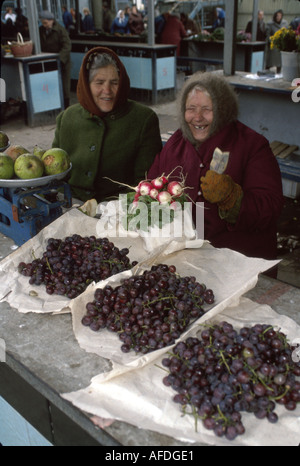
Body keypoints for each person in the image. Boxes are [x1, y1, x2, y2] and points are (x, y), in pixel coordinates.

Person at [147, 72, 284, 268]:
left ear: (223, 110)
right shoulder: (175, 143)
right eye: (191, 109)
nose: (197, 117)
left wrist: (232, 199)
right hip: (182, 257)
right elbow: (152, 187)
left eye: (207, 109)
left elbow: (271, 207)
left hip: (238, 263)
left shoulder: (252, 145)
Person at [52, 47, 162, 203]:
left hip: (120, 209)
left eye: (114, 83)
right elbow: (54, 173)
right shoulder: (67, 118)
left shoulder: (143, 120)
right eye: (99, 82)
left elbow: (145, 183)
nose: (107, 90)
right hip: (70, 203)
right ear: (86, 85)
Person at [39, 11, 72, 108]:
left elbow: (67, 46)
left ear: (52, 21)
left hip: (62, 63)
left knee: (64, 86)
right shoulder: (41, 30)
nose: (44, 25)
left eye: (46, 23)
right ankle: (53, 106)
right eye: (43, 23)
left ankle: (66, 108)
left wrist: (60, 60)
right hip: (48, 62)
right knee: (51, 86)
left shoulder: (61, 30)